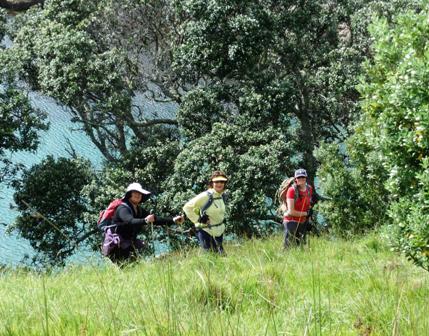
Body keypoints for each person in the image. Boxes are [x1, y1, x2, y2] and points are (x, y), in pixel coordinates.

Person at [103, 182, 184, 262]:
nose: (138, 195)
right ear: (129, 194)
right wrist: (145, 220)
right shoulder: (122, 208)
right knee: (128, 267)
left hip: (129, 244)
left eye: (140, 193)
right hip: (117, 245)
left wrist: (173, 220)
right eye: (135, 192)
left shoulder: (139, 210)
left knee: (132, 266)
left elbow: (155, 219)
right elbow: (130, 221)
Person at [183, 171, 228, 254]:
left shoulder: (221, 196)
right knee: (213, 258)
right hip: (206, 231)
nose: (219, 184)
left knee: (221, 258)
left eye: (222, 181)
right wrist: (199, 219)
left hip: (219, 232)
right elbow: (187, 207)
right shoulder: (206, 195)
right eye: (216, 182)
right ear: (212, 183)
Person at [282, 168, 313, 248]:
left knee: (302, 247)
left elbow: (307, 205)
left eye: (303, 177)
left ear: (306, 178)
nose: (301, 179)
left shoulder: (309, 189)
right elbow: (291, 211)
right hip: (291, 221)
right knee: (289, 248)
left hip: (302, 222)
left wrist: (309, 220)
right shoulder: (291, 190)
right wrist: (305, 214)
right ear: (295, 179)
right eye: (299, 177)